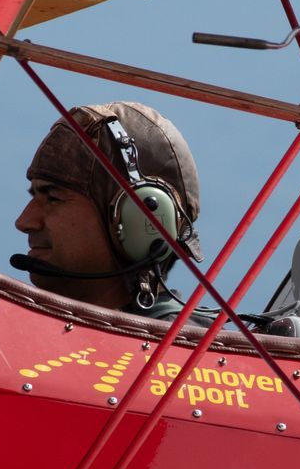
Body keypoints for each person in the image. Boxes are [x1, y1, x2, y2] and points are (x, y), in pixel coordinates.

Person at [12, 101, 200, 317]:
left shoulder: (182, 350)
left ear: (138, 218)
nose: (24, 222)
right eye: (34, 195)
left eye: (53, 198)